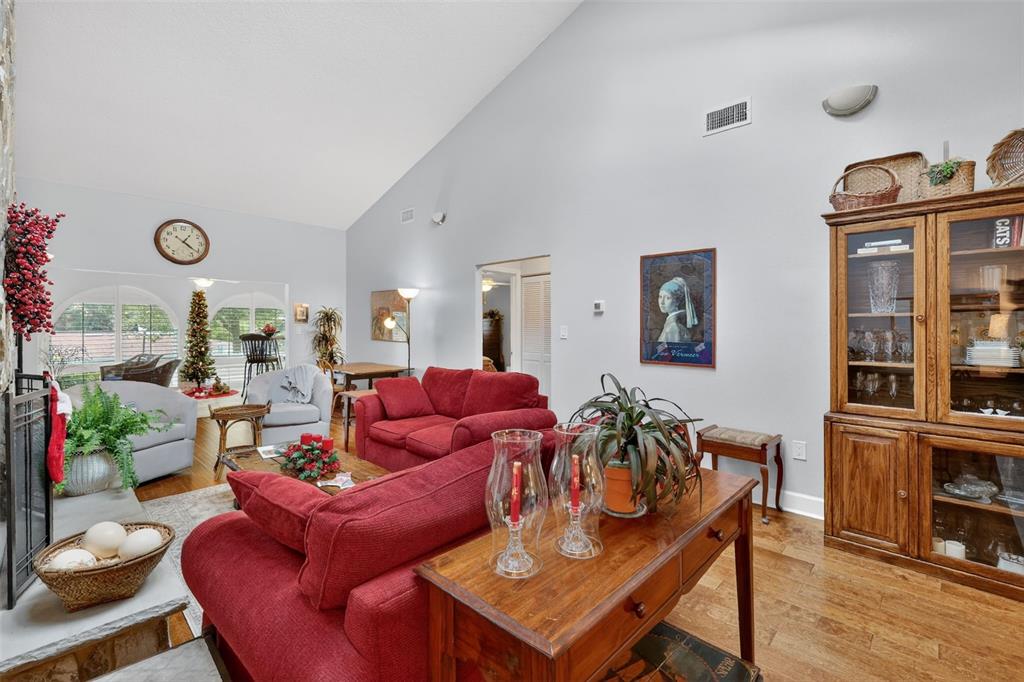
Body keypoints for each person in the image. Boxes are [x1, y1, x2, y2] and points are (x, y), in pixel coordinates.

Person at [657, 277, 699, 343]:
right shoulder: (673, 324)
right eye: (660, 297)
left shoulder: (673, 326)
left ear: (677, 301)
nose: (662, 302)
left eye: (667, 298)